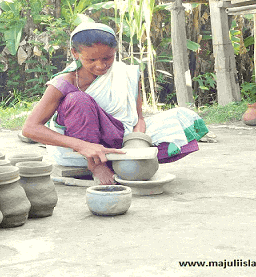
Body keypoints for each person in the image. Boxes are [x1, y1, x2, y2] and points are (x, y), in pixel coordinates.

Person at [22, 22, 208, 184]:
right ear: (75, 53)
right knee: (78, 100)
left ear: (115, 52)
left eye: (107, 58)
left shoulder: (127, 74)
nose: (101, 65)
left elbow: (138, 119)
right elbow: (30, 128)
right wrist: (83, 145)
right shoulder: (64, 82)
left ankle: (118, 160)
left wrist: (136, 145)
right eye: (91, 59)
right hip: (78, 149)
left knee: (181, 118)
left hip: (118, 137)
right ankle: (97, 165)